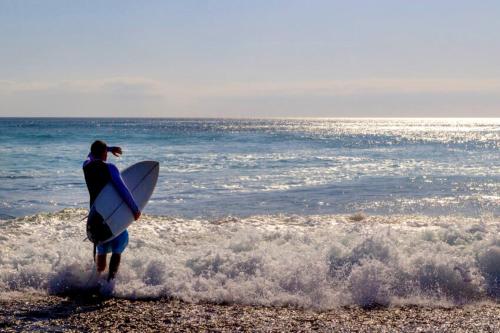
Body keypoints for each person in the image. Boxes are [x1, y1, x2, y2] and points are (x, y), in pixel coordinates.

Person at [83, 140, 141, 286]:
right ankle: (110, 281)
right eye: (105, 153)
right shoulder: (110, 168)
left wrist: (107, 149)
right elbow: (123, 189)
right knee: (118, 243)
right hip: (111, 213)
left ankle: (96, 281)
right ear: (103, 153)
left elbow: (90, 155)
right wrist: (135, 209)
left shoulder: (86, 166)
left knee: (101, 246)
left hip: (95, 213)